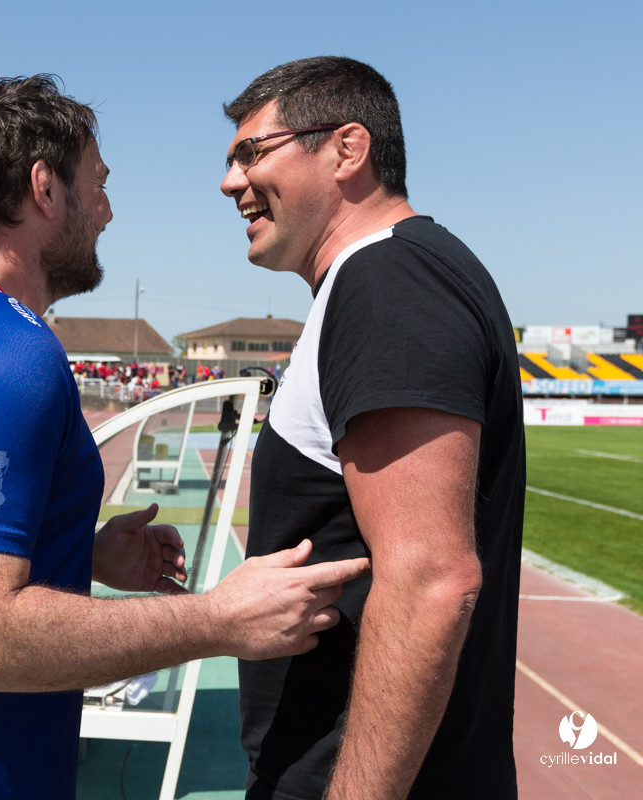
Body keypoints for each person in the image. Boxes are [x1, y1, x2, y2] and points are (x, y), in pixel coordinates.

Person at [0, 75, 370, 800]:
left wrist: (76, 551)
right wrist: (220, 620)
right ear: (44, 188)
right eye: (96, 184)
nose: (106, 210)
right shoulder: (1, 352)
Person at [219, 56, 524, 799]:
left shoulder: (389, 282)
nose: (230, 182)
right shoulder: (379, 280)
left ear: (347, 150)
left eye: (252, 152)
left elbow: (431, 581)